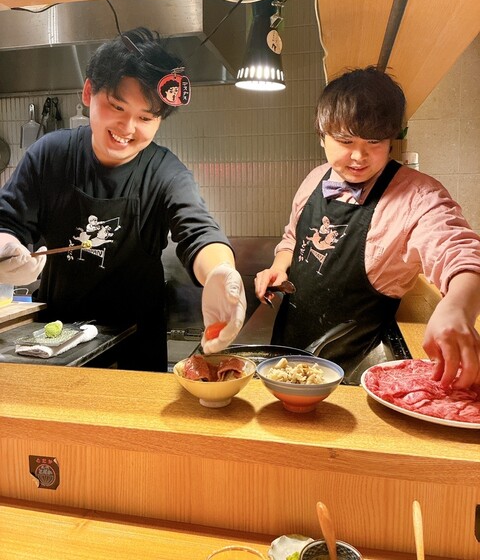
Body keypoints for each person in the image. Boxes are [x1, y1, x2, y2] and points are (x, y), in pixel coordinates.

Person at [0, 27, 246, 371]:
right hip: (57, 347)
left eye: (145, 117)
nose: (128, 128)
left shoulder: (165, 172)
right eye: (117, 106)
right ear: (89, 92)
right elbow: (7, 221)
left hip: (137, 351)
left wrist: (221, 272)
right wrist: (7, 247)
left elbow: (200, 233)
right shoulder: (50, 154)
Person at [254, 66, 480, 389]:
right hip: (287, 357)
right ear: (322, 135)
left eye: (374, 142)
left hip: (352, 376)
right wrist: (278, 267)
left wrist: (458, 307)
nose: (359, 156)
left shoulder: (416, 196)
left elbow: (462, 254)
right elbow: (292, 238)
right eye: (345, 140)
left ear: (391, 140)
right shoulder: (314, 180)